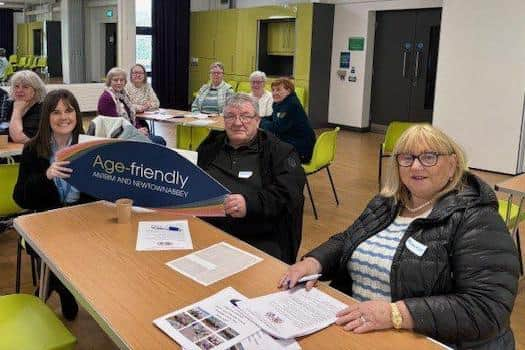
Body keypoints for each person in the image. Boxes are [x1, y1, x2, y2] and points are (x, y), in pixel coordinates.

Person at [279, 124, 520, 349]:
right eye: (407, 157)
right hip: (356, 328)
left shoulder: (476, 218)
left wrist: (396, 314)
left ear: (453, 164)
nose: (416, 166)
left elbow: (487, 308)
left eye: (429, 157)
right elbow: (347, 240)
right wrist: (313, 262)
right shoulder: (386, 203)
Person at [13, 89, 94, 320]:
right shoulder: (32, 149)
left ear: (77, 114)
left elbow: (99, 195)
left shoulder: (89, 147)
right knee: (53, 251)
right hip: (46, 221)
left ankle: (51, 286)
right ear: (46, 116)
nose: (63, 117)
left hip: (83, 221)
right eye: (55, 112)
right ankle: (63, 289)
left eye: (69, 110)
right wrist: (46, 175)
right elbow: (20, 197)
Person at [197, 93, 305, 264]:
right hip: (207, 227)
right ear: (223, 120)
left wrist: (249, 204)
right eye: (231, 116)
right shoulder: (210, 146)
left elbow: (290, 195)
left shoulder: (281, 152)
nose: (238, 122)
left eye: (246, 116)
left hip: (258, 235)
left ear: (258, 120)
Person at [97, 67, 166, 145]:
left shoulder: (123, 96)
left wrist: (139, 128)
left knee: (156, 138)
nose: (119, 83)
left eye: (121, 80)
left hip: (128, 132)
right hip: (117, 138)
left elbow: (132, 116)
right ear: (109, 82)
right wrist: (136, 131)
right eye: (115, 80)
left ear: (125, 82)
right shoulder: (107, 98)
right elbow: (115, 126)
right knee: (159, 141)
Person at [260, 77, 315, 163]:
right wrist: (260, 119)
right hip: (292, 143)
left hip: (301, 150)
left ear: (288, 91)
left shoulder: (291, 105)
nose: (274, 93)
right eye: (273, 90)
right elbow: (273, 118)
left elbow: (277, 127)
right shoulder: (281, 103)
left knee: (262, 148)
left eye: (278, 90)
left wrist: (260, 122)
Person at [1, 70, 46, 143]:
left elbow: (19, 138)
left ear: (36, 90)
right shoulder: (12, 103)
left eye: (25, 87)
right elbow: (3, 129)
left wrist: (17, 110)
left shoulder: (41, 108)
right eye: (16, 86)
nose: (19, 90)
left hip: (35, 152)